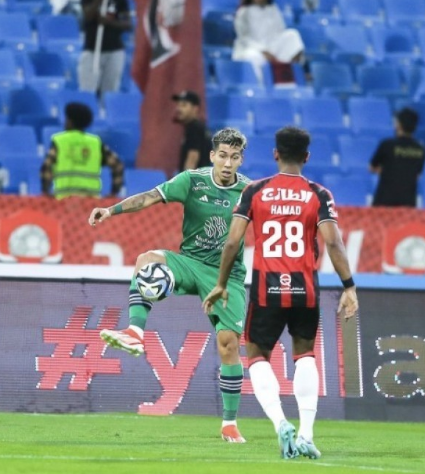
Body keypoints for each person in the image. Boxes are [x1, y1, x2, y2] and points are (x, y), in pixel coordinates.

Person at [203, 126, 359, 460]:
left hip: (266, 288)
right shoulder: (319, 194)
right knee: (305, 355)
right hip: (305, 288)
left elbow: (232, 241)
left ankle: (279, 425)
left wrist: (220, 284)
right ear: (306, 157)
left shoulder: (255, 191)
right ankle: (307, 434)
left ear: (275, 154)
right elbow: (333, 241)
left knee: (257, 355)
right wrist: (349, 287)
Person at [88, 128, 252, 443]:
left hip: (227, 274)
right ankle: (135, 333)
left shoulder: (250, 192)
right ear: (212, 155)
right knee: (146, 259)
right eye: (222, 155)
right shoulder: (192, 180)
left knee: (229, 344)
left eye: (234, 157)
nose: (228, 163)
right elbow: (150, 196)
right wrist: (111, 210)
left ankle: (229, 424)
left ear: (240, 159)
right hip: (189, 264)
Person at [41, 102, 124, 199]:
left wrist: (46, 192)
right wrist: (114, 192)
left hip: (64, 202)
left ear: (70, 121)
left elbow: (46, 166)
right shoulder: (95, 143)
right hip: (90, 203)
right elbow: (117, 165)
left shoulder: (60, 141)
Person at [232, 0, 305, 82]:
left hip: (271, 46)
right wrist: (263, 51)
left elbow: (280, 31)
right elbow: (244, 38)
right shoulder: (243, 12)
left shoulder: (273, 8)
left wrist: (273, 50)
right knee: (253, 56)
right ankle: (263, 85)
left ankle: (290, 75)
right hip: (251, 49)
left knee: (292, 35)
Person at [369, 108, 425, 207]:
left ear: (398, 125)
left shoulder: (387, 145)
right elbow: (417, 175)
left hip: (383, 203)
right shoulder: (420, 149)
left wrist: (389, 171)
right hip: (408, 204)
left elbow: (371, 167)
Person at [78, 0, 131, 97]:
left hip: (115, 51)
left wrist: (109, 22)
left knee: (110, 93)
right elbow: (87, 15)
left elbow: (127, 24)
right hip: (92, 51)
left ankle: (106, 111)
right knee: (87, 92)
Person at [172, 90, 212, 173]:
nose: (179, 109)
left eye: (184, 105)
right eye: (178, 105)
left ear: (195, 109)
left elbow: (193, 157)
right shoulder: (200, 127)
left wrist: (185, 183)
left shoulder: (194, 128)